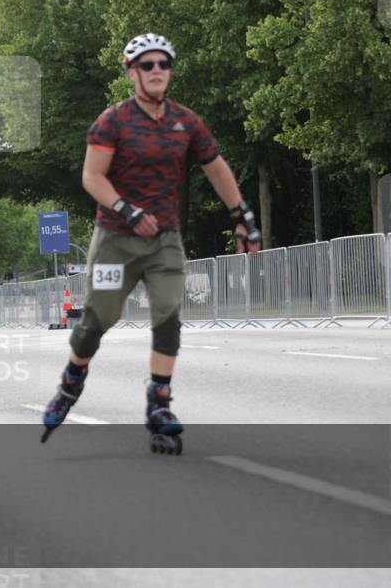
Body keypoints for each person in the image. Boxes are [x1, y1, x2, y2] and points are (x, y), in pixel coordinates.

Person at [39, 33, 262, 451]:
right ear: (131, 72)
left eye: (164, 64)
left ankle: (159, 402)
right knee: (95, 323)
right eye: (147, 65)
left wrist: (241, 216)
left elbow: (215, 168)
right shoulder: (113, 121)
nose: (157, 71)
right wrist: (128, 210)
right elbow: (92, 177)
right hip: (115, 241)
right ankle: (71, 381)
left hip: (164, 239)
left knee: (168, 315)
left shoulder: (186, 122)